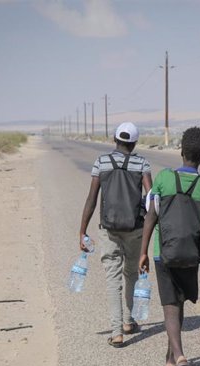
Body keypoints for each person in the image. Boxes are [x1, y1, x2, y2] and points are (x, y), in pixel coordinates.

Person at [139, 127, 200, 366]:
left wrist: (143, 252)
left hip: (164, 252)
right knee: (179, 301)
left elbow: (151, 216)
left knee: (170, 305)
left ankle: (180, 357)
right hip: (191, 253)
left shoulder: (163, 178)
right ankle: (171, 357)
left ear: (181, 151)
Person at [78, 122, 152, 348]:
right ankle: (129, 321)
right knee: (131, 273)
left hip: (109, 229)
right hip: (135, 229)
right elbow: (151, 198)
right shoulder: (142, 163)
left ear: (114, 139)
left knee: (113, 279)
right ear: (135, 143)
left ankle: (117, 331)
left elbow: (92, 198)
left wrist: (82, 230)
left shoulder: (102, 162)